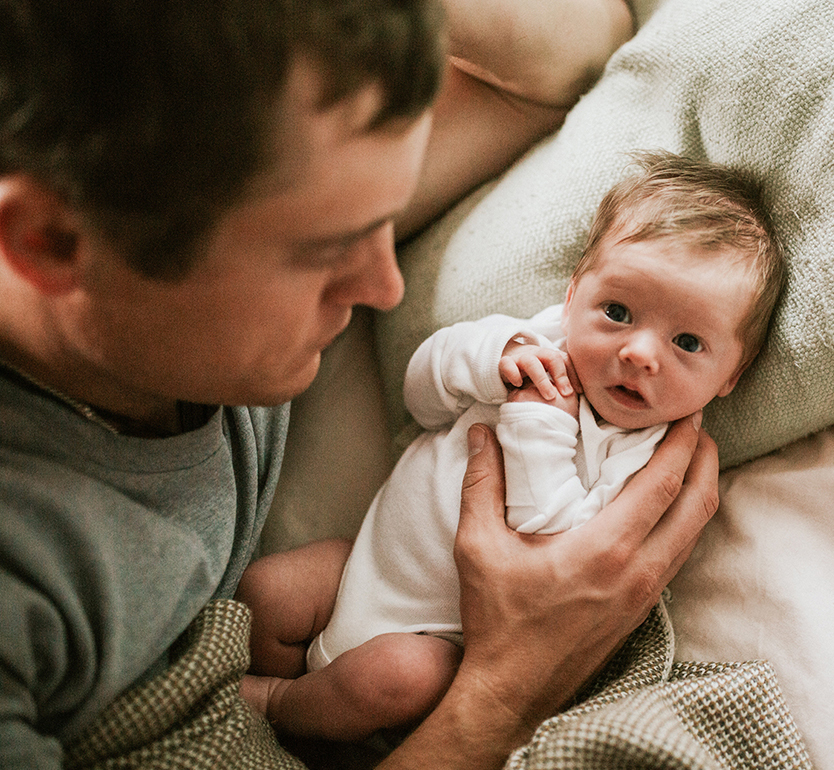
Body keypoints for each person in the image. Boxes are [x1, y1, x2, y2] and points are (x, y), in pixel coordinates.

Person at [0, 1, 722, 769]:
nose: (383, 286)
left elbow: (566, 53)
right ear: (54, 243)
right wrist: (509, 689)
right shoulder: (30, 573)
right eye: (328, 251)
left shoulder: (235, 187)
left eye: (383, 218)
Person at [237, 151, 785, 742]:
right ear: (575, 294)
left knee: (392, 679)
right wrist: (489, 359)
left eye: (687, 342)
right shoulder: (534, 343)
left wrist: (538, 428)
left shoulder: (647, 455)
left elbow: (556, 552)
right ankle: (275, 687)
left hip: (433, 640)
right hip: (361, 569)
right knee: (265, 593)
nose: (639, 353)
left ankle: (279, 704)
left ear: (732, 375)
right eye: (618, 311)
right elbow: (421, 399)